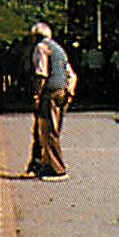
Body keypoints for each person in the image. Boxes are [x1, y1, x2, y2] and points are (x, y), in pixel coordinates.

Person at [25, 21, 73, 180]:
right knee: (51, 129)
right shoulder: (59, 49)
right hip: (62, 92)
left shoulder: (41, 48)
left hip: (50, 93)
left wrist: (36, 95)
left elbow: (41, 73)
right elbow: (70, 74)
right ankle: (41, 164)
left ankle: (57, 169)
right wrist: (69, 92)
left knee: (47, 131)